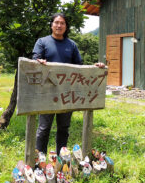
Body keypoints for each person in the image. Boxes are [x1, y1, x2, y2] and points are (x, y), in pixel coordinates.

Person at [32, 13, 105, 156]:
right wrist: (38, 62)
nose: (59, 25)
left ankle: (61, 157)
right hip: (46, 93)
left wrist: (96, 68)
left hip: (67, 94)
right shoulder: (42, 42)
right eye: (56, 22)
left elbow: (79, 68)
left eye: (62, 23)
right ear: (51, 24)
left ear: (66, 26)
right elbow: (34, 61)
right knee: (44, 127)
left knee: (64, 127)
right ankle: (39, 159)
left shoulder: (71, 45)